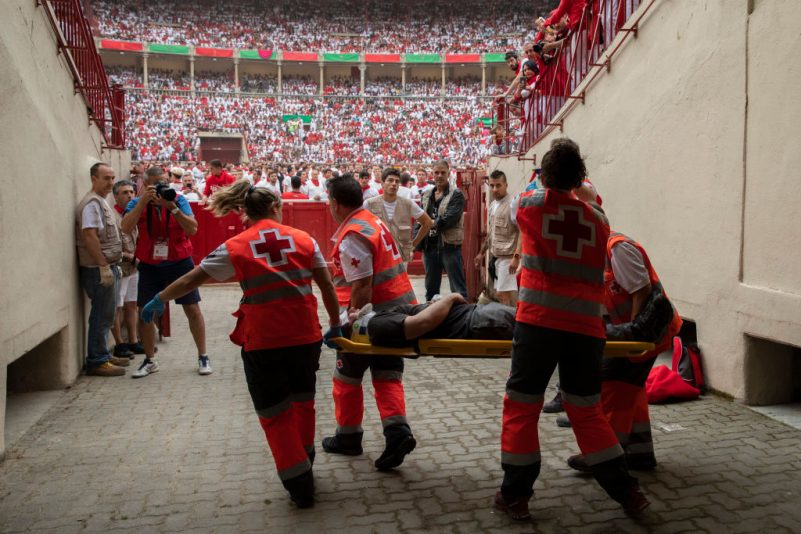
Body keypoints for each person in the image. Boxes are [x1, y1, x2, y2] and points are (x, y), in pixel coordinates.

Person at [139, 181, 341, 508]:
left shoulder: (235, 246)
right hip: (305, 336)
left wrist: (159, 299)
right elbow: (327, 287)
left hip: (263, 340)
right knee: (302, 401)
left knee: (274, 412)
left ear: (244, 212)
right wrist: (336, 323)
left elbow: (192, 278)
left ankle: (299, 482)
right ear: (276, 207)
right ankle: (305, 459)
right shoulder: (305, 240)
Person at [495, 139, 648, 520]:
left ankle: (516, 495)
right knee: (587, 411)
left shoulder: (529, 204)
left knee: (522, 407)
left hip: (538, 324)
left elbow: (525, 198)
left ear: (543, 176)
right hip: (586, 328)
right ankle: (627, 492)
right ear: (581, 177)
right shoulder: (600, 219)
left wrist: (542, 179)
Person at [564, 222, 683, 473]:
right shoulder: (600, 252)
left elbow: (641, 290)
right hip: (639, 332)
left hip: (646, 331)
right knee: (631, 389)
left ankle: (604, 457)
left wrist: (631, 337)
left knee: (612, 386)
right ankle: (639, 455)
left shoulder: (617, 249)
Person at [322, 173, 418, 471]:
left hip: (372, 317)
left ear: (335, 203)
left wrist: (348, 323)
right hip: (398, 313)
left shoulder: (353, 233)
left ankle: (348, 437)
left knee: (346, 377)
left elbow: (362, 284)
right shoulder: (371, 221)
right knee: (387, 373)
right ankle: (397, 432)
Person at [120, 166, 212, 378]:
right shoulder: (137, 202)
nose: (161, 187)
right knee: (145, 312)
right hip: (151, 264)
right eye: (155, 184)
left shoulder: (178, 200)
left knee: (192, 308)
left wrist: (172, 208)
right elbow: (125, 227)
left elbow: (193, 229)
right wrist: (143, 202)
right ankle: (150, 359)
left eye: (164, 182)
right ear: (145, 185)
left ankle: (203, 355)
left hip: (179, 261)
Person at [76, 163, 129, 376]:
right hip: (98, 267)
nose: (110, 182)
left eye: (112, 178)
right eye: (105, 178)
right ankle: (97, 359)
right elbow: (89, 235)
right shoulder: (91, 204)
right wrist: (102, 264)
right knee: (101, 314)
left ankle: (103, 354)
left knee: (107, 313)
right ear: (93, 179)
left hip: (105, 265)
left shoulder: (99, 201)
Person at [363, 294, 515, 347]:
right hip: (475, 320)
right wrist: (451, 297)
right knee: (534, 327)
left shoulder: (380, 318)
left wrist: (435, 305)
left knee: (534, 326)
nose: (351, 309)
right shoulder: (376, 325)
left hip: (477, 316)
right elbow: (423, 322)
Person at [419, 160, 468, 301]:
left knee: (458, 289)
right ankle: (430, 321)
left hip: (449, 247)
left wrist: (429, 223)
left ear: (448, 173)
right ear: (432, 173)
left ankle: (461, 320)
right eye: (436, 172)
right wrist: (417, 243)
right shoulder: (426, 194)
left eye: (443, 172)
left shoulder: (456, 194)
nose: (439, 175)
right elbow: (419, 218)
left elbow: (448, 220)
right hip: (430, 248)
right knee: (431, 290)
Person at [364, 167, 433, 263]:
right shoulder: (369, 204)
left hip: (401, 255)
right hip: (378, 255)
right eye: (390, 180)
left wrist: (413, 245)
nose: (394, 184)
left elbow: (428, 223)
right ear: (382, 183)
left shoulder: (408, 204)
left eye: (397, 181)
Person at [474, 170, 519, 307]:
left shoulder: (513, 204)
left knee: (505, 297)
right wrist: (481, 253)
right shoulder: (493, 205)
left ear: (506, 185)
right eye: (492, 185)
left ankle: (511, 325)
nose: (494, 189)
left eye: (498, 185)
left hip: (508, 258)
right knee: (501, 297)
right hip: (496, 258)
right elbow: (492, 233)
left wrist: (516, 257)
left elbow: (523, 231)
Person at [110, 179, 140, 359]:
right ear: (115, 196)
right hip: (120, 267)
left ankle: (133, 341)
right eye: (124, 193)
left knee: (131, 305)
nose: (129, 195)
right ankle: (119, 343)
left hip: (134, 268)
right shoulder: (113, 217)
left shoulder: (133, 213)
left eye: (131, 192)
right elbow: (111, 246)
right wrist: (132, 257)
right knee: (117, 307)